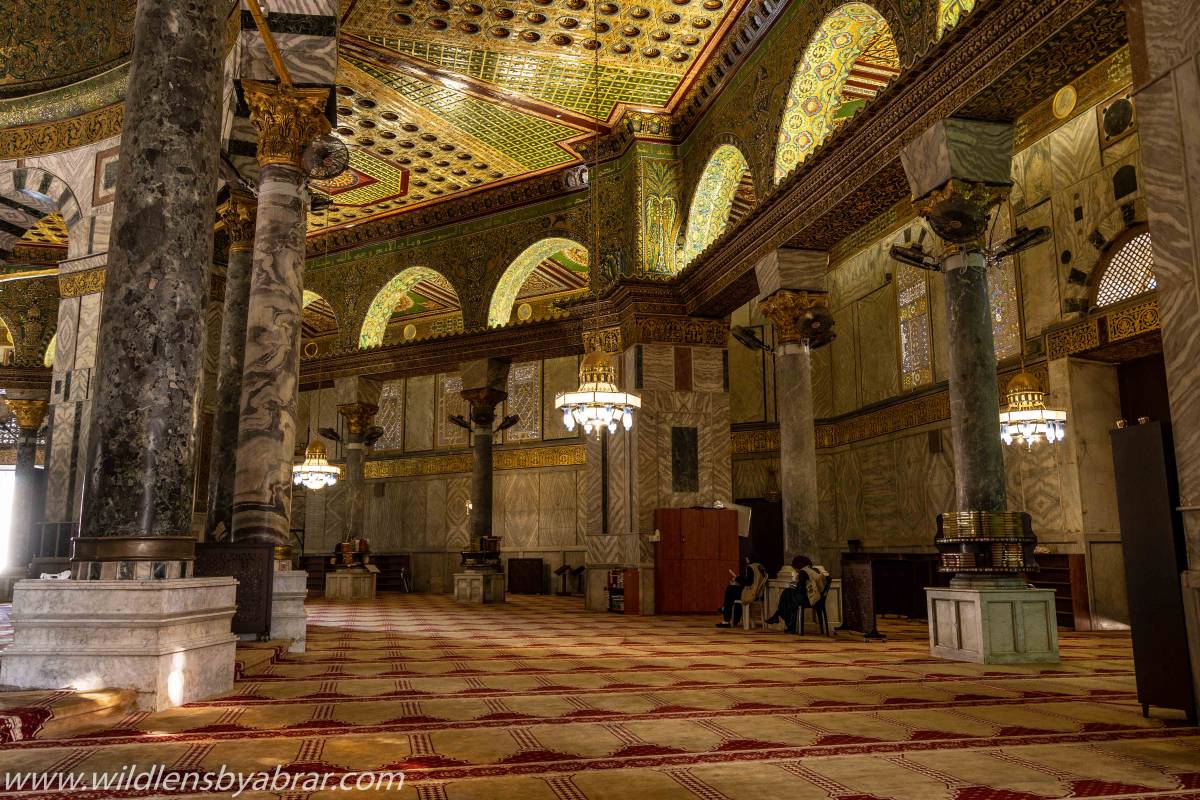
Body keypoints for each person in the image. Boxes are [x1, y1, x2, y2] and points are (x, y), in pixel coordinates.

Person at [765, 555, 829, 633]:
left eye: (795, 568)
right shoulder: (814, 570)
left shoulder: (803, 572)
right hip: (818, 598)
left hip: (809, 599)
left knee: (787, 595)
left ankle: (780, 616)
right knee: (789, 598)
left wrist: (796, 582)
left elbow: (800, 590)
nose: (795, 570)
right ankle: (780, 617)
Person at [716, 555, 767, 628]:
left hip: (749, 593)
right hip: (757, 593)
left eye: (746, 559)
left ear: (748, 559)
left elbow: (748, 582)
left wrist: (737, 578)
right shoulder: (760, 567)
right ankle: (727, 614)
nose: (746, 561)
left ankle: (726, 617)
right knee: (733, 591)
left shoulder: (751, 567)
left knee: (730, 589)